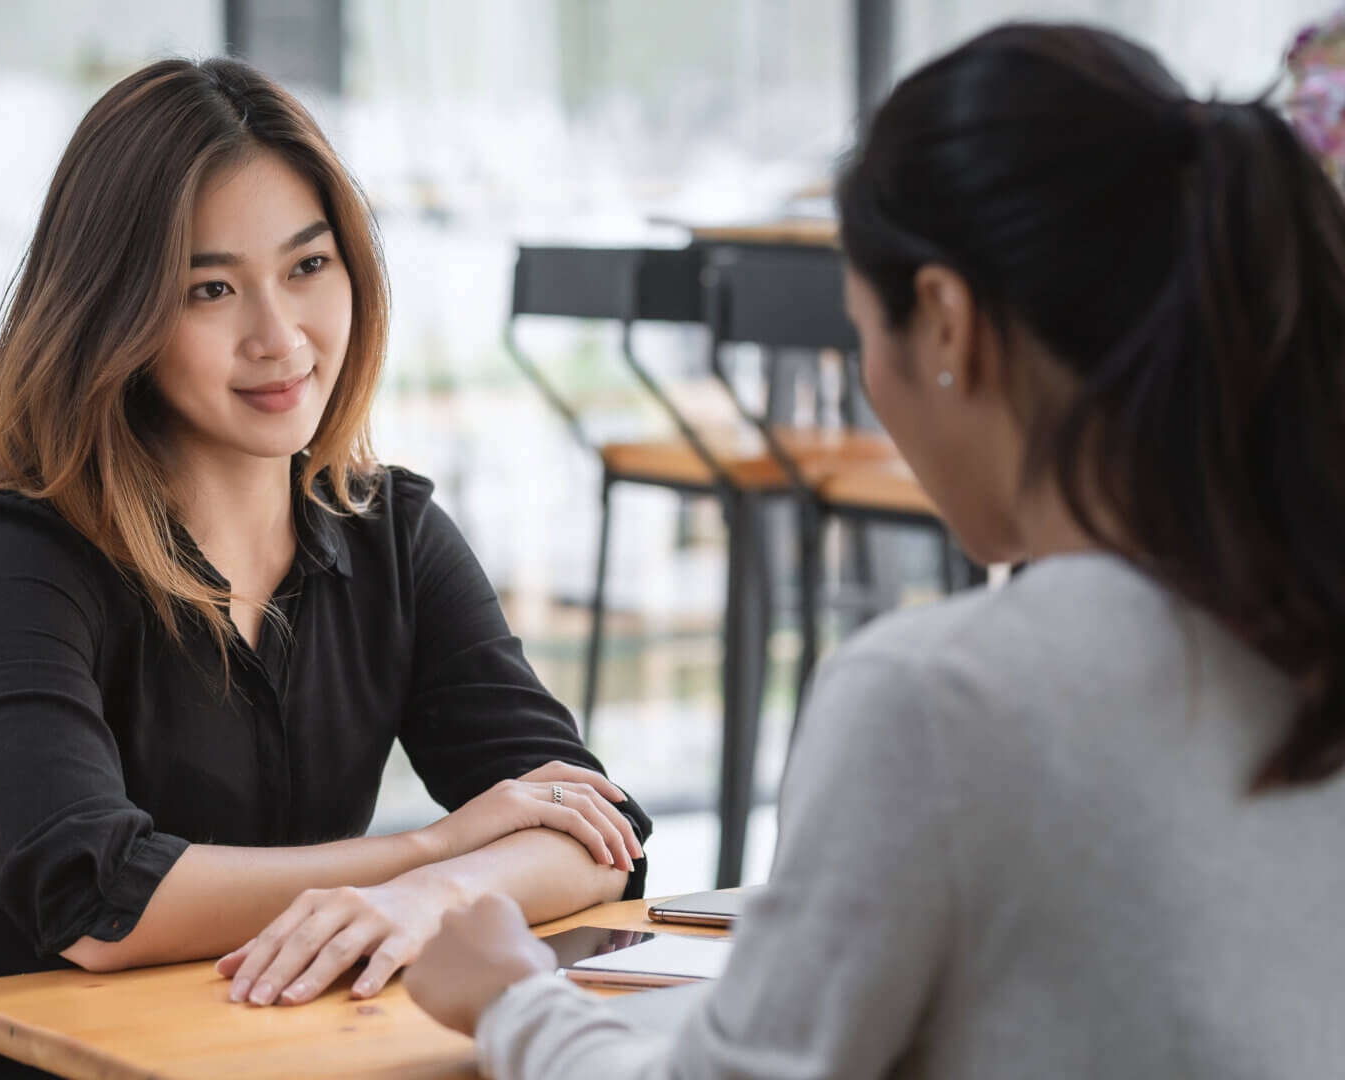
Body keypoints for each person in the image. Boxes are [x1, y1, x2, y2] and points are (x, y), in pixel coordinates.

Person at [406, 22, 1345, 1079]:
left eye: (861, 334)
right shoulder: (1302, 620)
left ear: (945, 322)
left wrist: (512, 998)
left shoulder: (939, 696)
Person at [0, 57, 652, 1079]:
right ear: (117, 315)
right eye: (211, 289)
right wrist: (426, 849)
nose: (278, 337)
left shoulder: (391, 533)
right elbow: (96, 900)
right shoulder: (23, 550)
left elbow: (595, 829)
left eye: (307, 267)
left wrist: (438, 897)